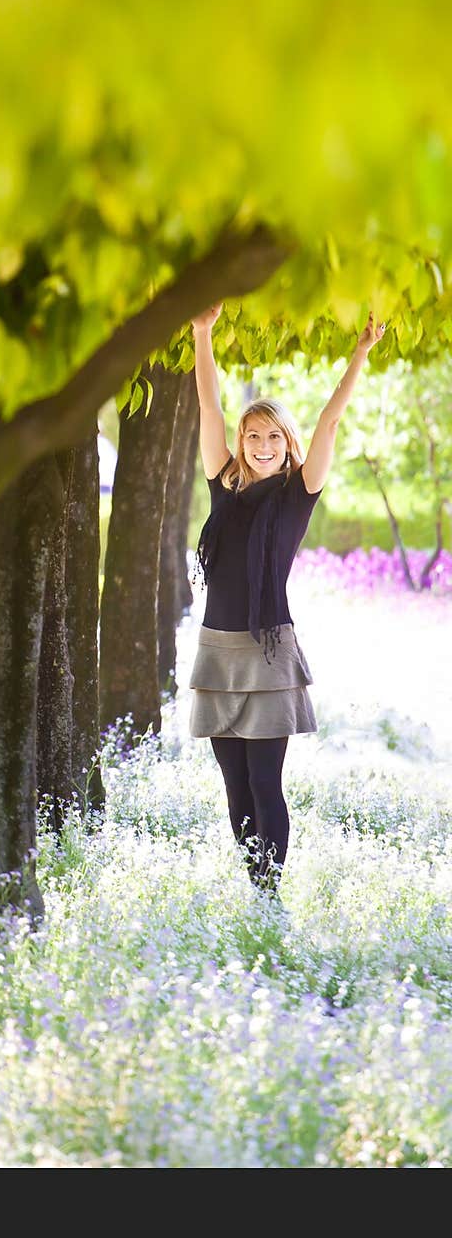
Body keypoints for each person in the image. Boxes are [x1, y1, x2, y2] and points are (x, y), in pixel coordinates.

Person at [188, 302, 386, 895]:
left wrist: (360, 354)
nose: (263, 444)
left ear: (287, 443)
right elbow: (208, 406)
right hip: (218, 649)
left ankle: (270, 895)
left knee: (264, 781)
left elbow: (327, 424)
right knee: (233, 784)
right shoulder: (222, 485)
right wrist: (203, 334)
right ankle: (254, 888)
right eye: (254, 435)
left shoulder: (297, 494)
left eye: (274, 436)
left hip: (269, 652)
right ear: (243, 444)